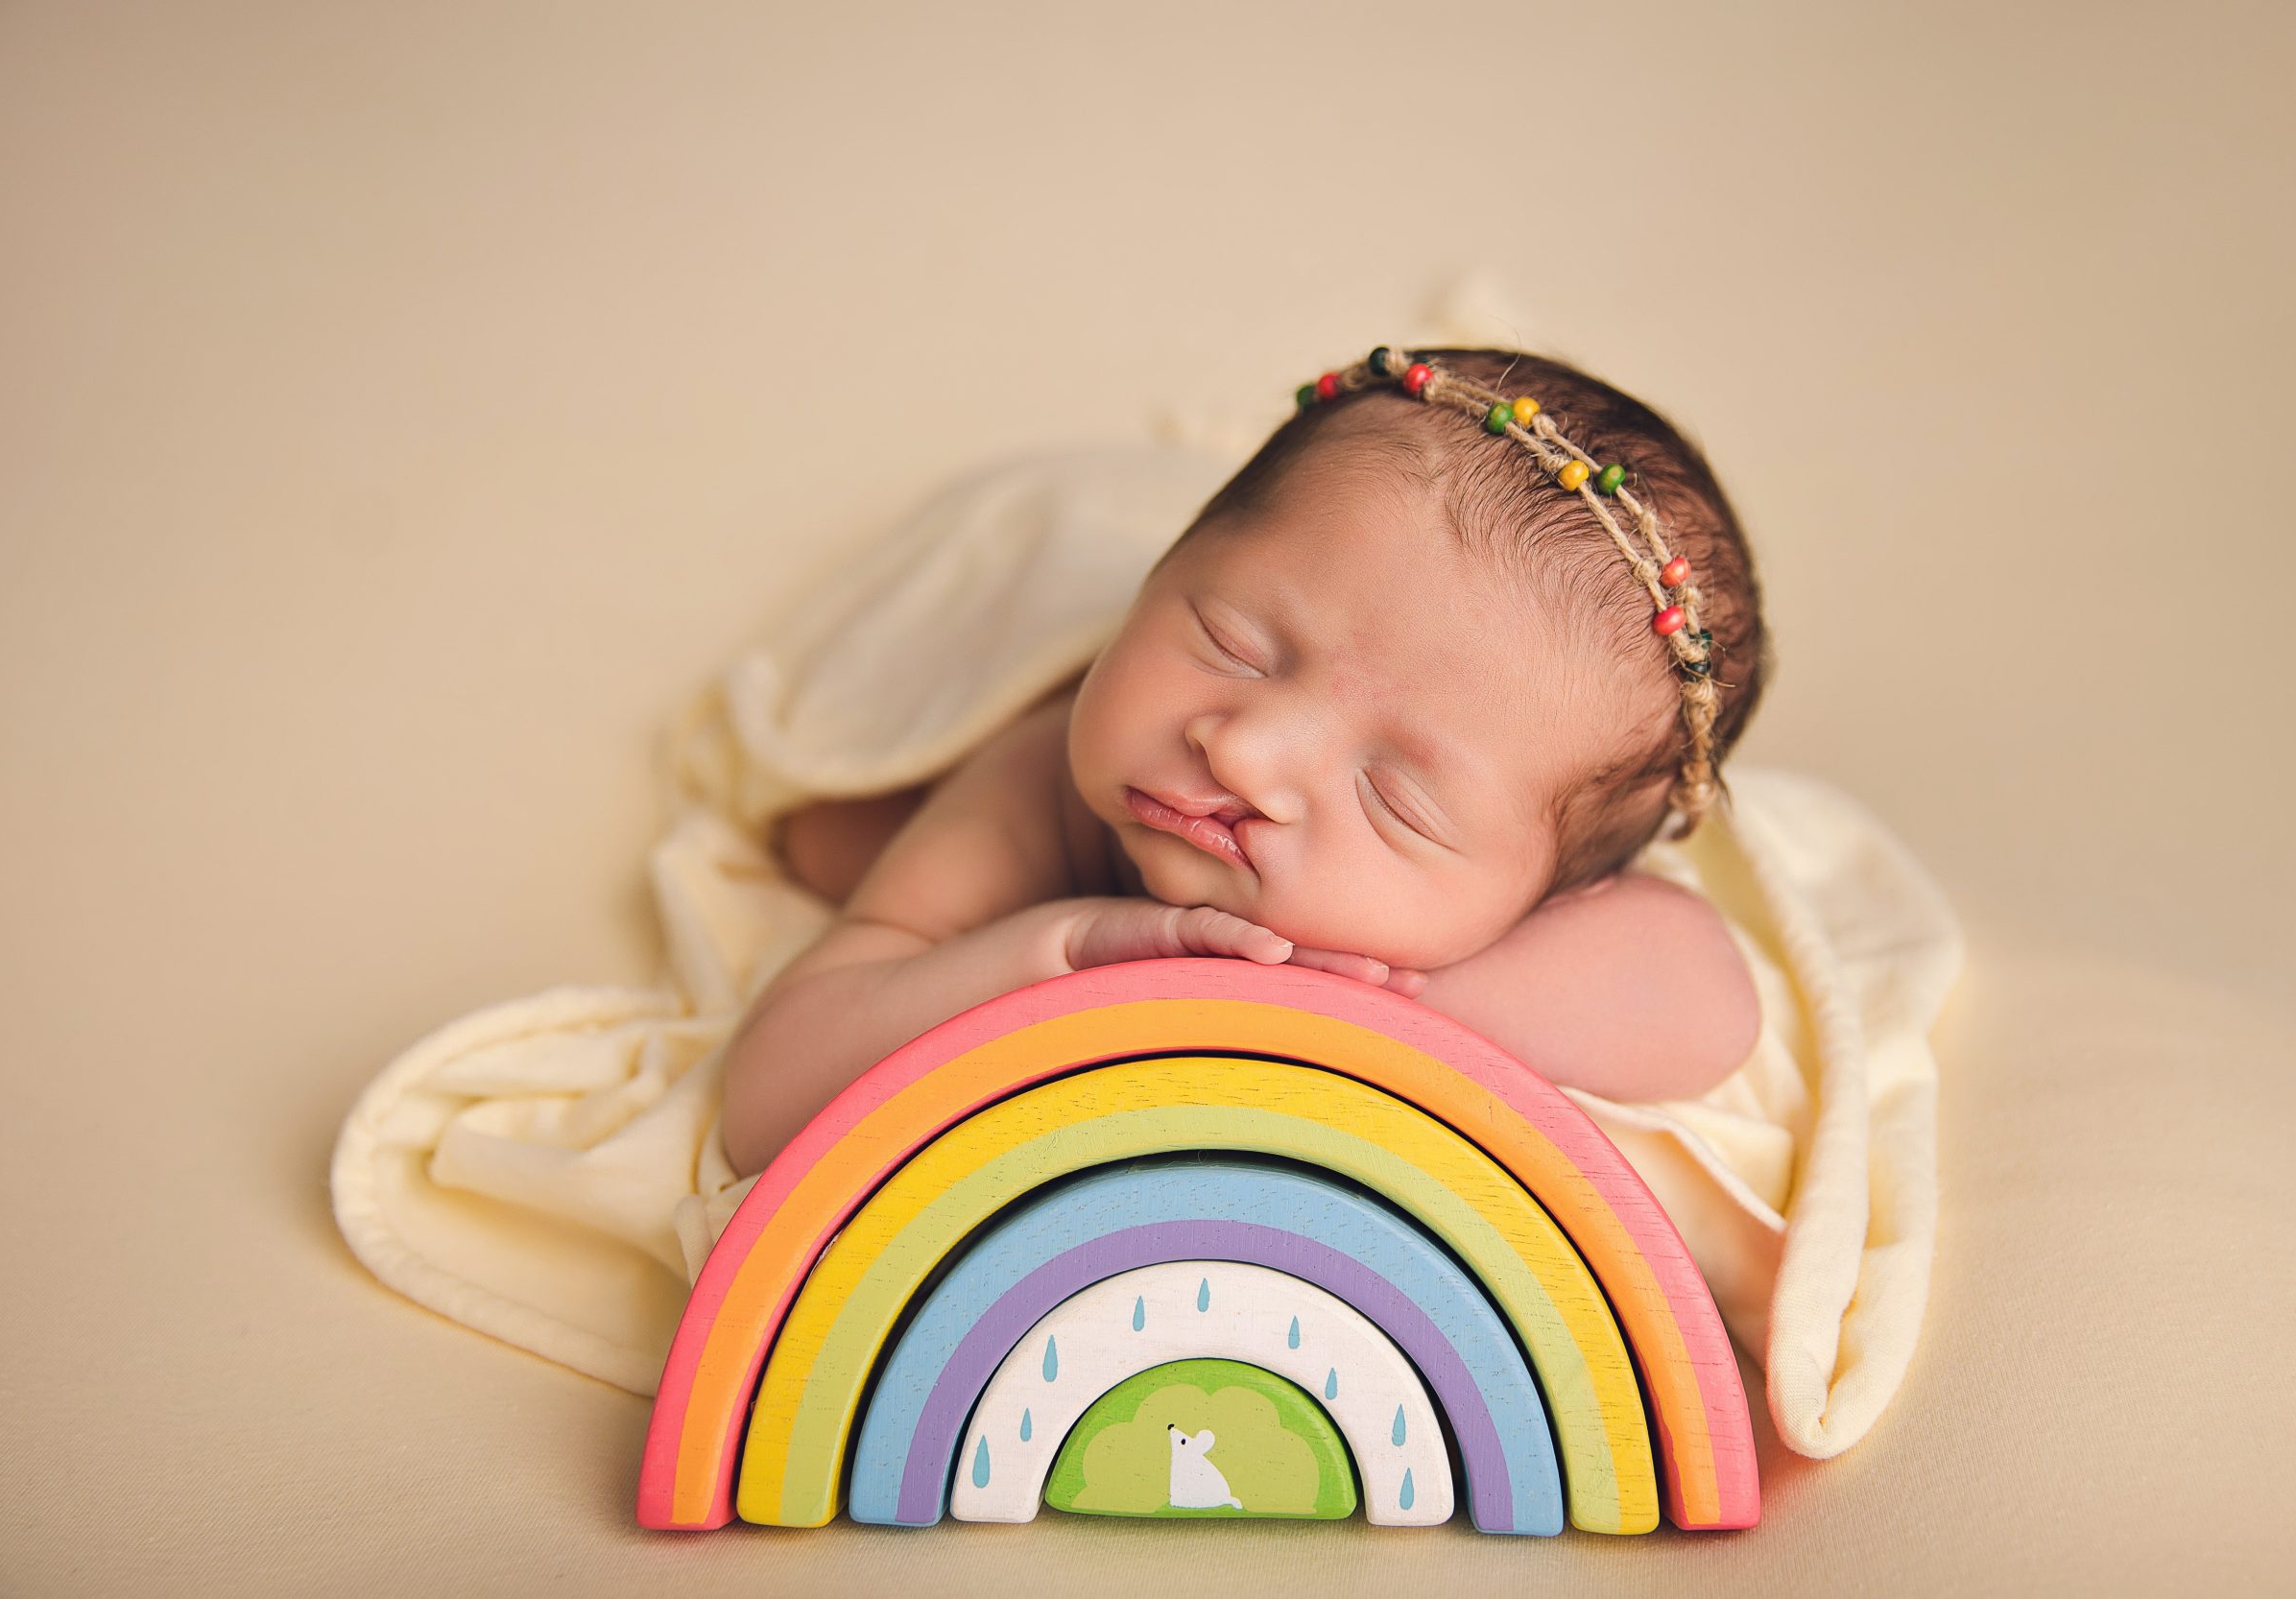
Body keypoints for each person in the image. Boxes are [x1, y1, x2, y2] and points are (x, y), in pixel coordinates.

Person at [722, 346, 1772, 1176]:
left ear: (1545, 890)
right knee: (832, 845)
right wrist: (1069, 955)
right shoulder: (1043, 784)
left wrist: (1356, 1016)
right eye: (1232, 642)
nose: (1245, 750)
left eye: (1394, 797)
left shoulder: (1511, 908)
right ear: (1161, 572)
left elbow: (1708, 999)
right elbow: (764, 1104)